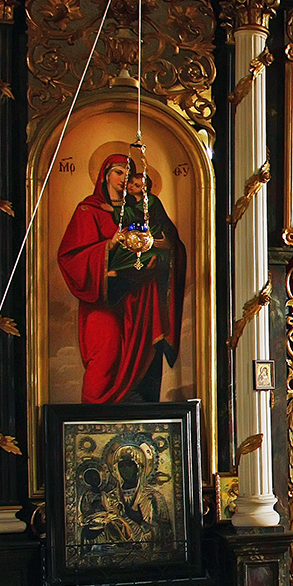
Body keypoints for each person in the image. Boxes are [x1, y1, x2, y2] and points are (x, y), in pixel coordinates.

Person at [57, 154, 187, 404]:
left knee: (145, 352)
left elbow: (169, 241)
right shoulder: (88, 210)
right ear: (105, 176)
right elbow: (70, 257)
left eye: (128, 175)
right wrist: (109, 245)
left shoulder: (141, 210)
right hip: (104, 297)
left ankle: (138, 404)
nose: (124, 179)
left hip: (140, 299)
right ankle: (93, 413)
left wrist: (165, 247)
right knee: (107, 351)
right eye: (119, 172)